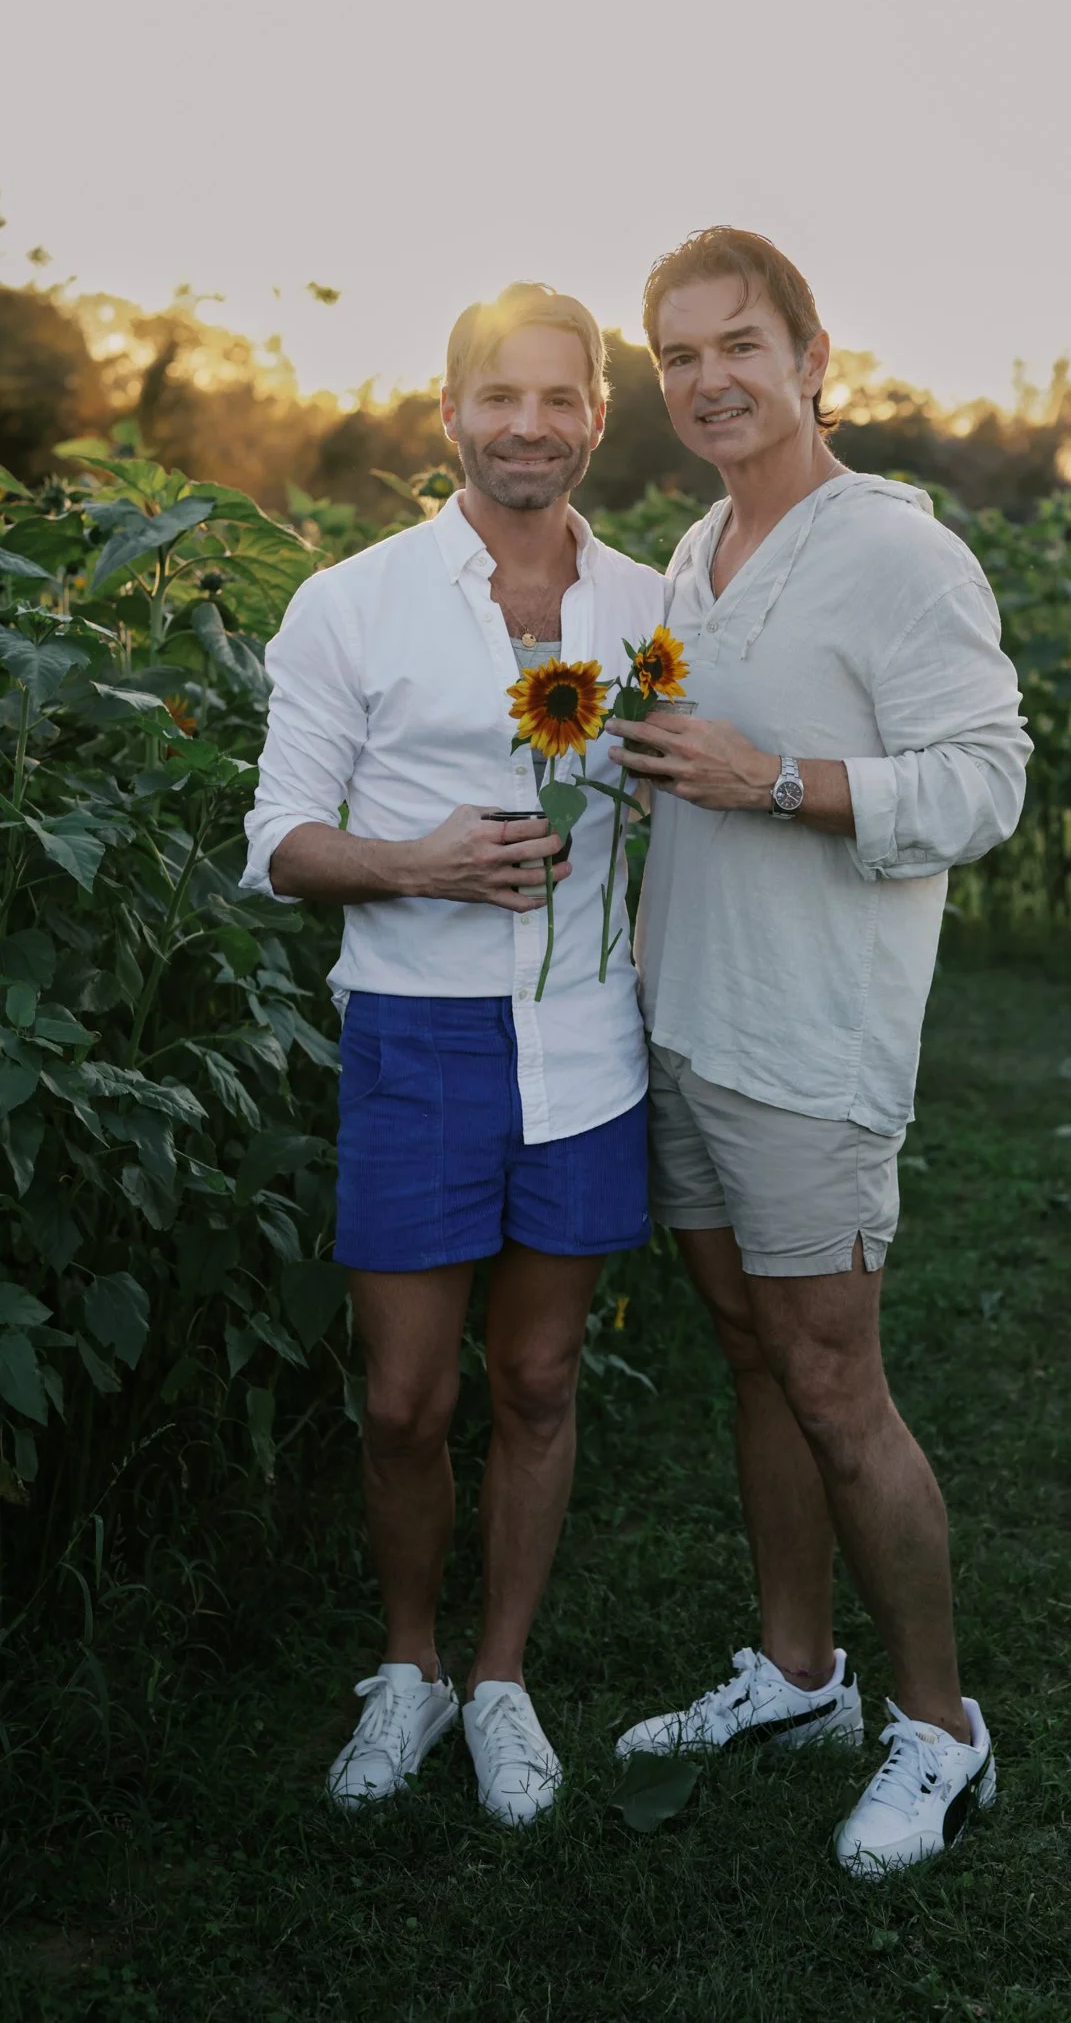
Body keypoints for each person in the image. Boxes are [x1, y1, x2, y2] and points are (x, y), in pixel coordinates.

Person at [607, 228, 1032, 1878]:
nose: (709, 380)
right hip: (685, 1016)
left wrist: (781, 781)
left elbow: (987, 782)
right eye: (678, 356)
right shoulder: (695, 551)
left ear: (813, 358)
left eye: (739, 346)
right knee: (750, 1354)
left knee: (839, 1382)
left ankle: (941, 1728)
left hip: (809, 1040)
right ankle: (798, 1676)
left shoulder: (894, 552)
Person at [242, 283, 663, 1824]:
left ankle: (500, 1680)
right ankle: (406, 1669)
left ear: (597, 420)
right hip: (419, 1036)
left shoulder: (644, 613)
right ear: (450, 414)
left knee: (541, 1378)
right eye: (501, 397)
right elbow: (281, 841)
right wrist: (421, 864)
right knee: (406, 1402)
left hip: (587, 1035)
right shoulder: (351, 603)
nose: (529, 427)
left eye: (561, 400)